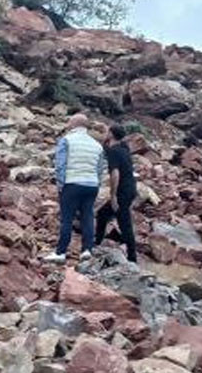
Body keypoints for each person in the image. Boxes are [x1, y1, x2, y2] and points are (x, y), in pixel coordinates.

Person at [44, 112, 106, 263]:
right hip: (91, 185)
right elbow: (100, 169)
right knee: (88, 217)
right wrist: (96, 183)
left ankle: (61, 252)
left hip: (72, 183)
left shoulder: (67, 140)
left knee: (67, 218)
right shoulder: (97, 145)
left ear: (74, 124)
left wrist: (60, 185)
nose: (68, 125)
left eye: (69, 122)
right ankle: (87, 250)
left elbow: (60, 165)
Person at [94, 123, 138, 262]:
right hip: (131, 188)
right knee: (103, 214)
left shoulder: (115, 151)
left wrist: (113, 196)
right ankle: (97, 243)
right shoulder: (123, 148)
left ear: (112, 134)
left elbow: (115, 174)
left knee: (124, 222)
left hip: (122, 191)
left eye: (108, 131)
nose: (105, 133)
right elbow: (104, 148)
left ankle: (132, 258)